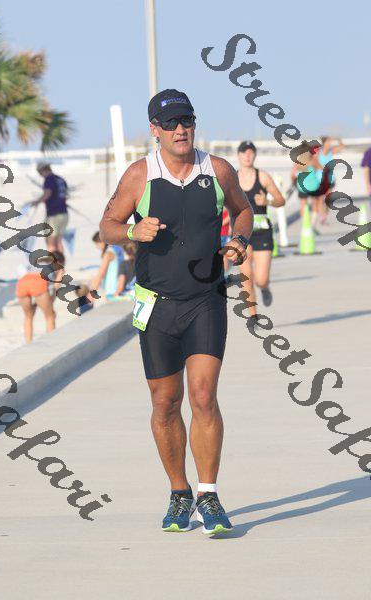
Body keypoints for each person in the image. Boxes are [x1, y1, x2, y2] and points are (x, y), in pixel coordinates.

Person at [100, 88, 253, 535]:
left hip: (206, 299)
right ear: (155, 130)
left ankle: (209, 494)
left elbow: (243, 210)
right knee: (165, 403)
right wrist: (133, 231)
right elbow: (107, 226)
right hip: (156, 305)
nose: (180, 129)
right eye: (170, 123)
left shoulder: (217, 170)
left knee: (203, 397)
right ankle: (179, 492)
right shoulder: (139, 175)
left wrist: (239, 240)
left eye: (187, 120)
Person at [237, 141, 285, 313]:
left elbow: (281, 200)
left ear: (255, 155)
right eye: (244, 152)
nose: (247, 156)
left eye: (251, 152)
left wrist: (267, 201)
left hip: (262, 233)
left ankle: (264, 288)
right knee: (246, 278)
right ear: (238, 155)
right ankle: (253, 317)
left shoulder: (263, 176)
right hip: (241, 234)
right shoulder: (232, 178)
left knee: (260, 279)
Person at [16, 254, 60, 343]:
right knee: (50, 316)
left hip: (23, 282)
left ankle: (28, 343)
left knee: (28, 316)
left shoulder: (32, 266)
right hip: (38, 282)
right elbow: (54, 288)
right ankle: (51, 343)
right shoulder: (53, 268)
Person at [33, 162, 69, 254]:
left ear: (43, 170)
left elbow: (47, 193)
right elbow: (66, 195)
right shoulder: (60, 179)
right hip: (64, 213)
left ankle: (54, 262)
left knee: (50, 242)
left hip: (54, 214)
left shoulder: (49, 179)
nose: (40, 175)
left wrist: (37, 202)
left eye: (39, 172)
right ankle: (61, 262)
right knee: (59, 241)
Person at [317, 136, 344, 224]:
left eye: (330, 142)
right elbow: (313, 162)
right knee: (320, 198)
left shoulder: (330, 152)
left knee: (328, 198)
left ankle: (324, 216)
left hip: (330, 179)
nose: (329, 144)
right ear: (324, 143)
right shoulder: (318, 152)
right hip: (320, 179)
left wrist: (338, 138)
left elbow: (342, 146)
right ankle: (322, 216)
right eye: (328, 142)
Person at [89, 231, 121, 299]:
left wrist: (91, 295)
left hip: (112, 292)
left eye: (97, 244)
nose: (97, 247)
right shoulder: (113, 250)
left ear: (102, 242)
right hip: (114, 291)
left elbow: (101, 274)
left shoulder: (108, 254)